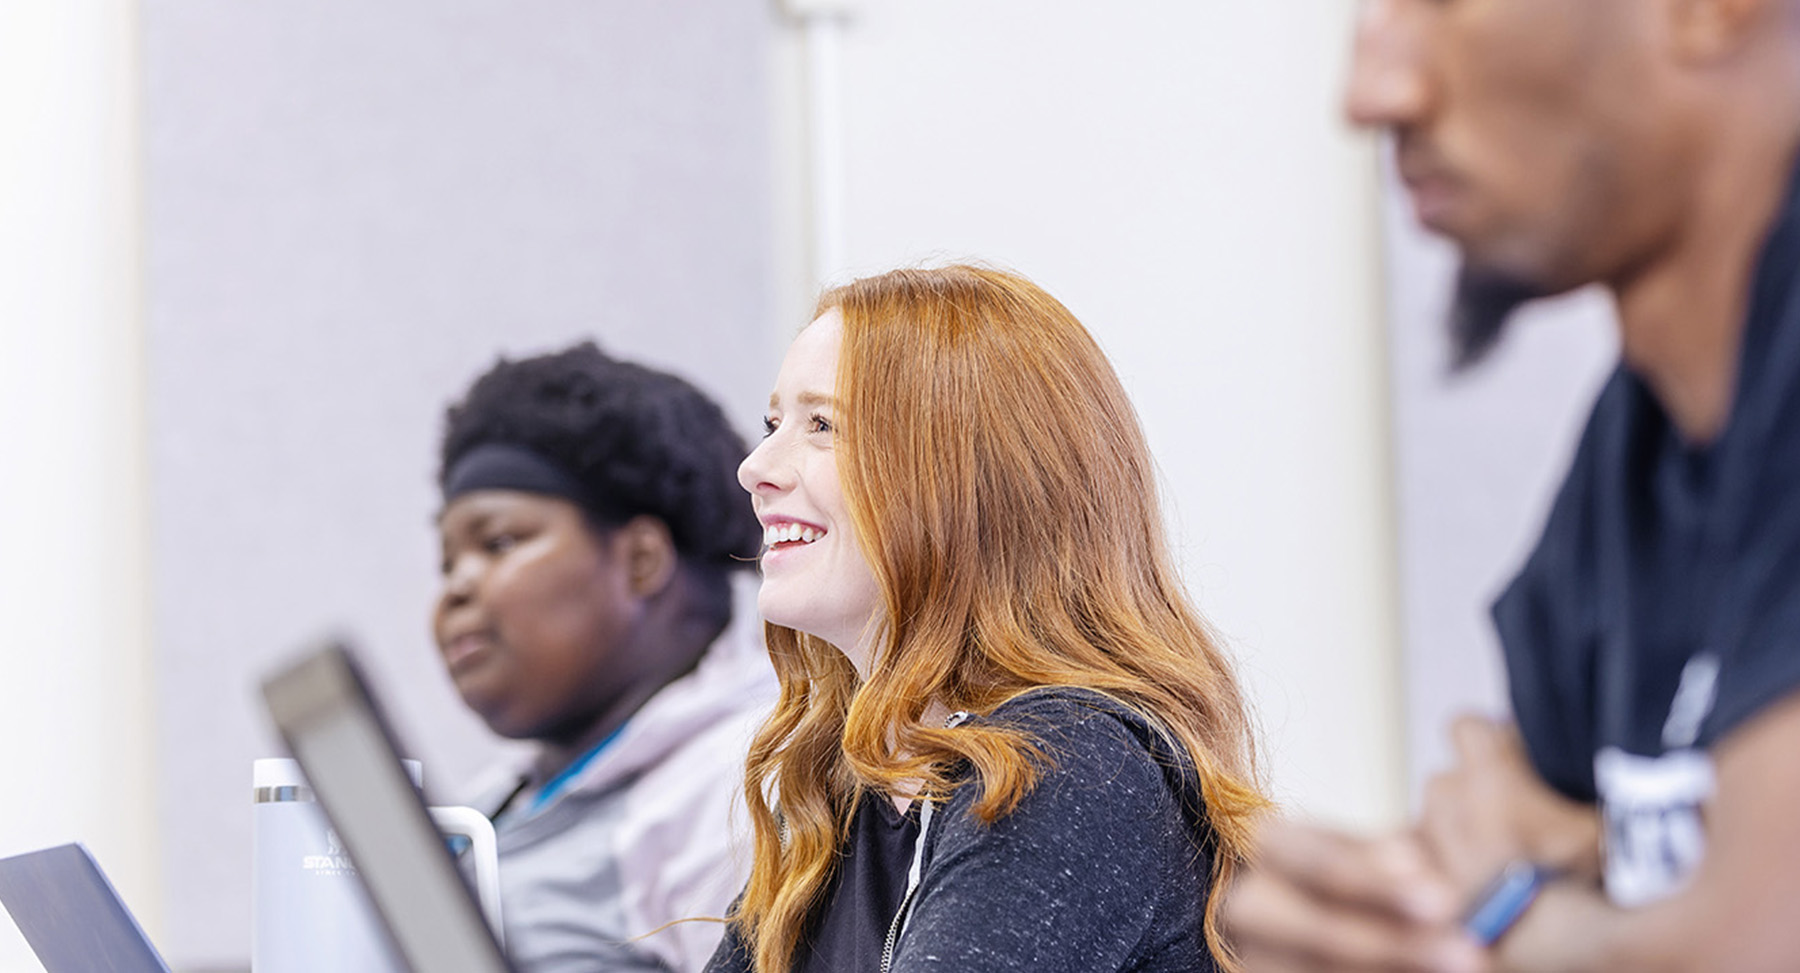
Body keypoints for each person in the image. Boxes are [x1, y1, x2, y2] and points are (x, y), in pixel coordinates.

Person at [1224, 0, 1800, 970]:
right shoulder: (1640, 448)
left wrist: (1512, 913)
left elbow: (1751, 942)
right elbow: (1472, 843)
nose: (1373, 94)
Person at [703, 265, 1268, 973]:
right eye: (773, 423)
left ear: (969, 478)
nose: (755, 467)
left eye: (821, 425)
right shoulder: (842, 798)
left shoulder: (1063, 763)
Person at [434, 342, 777, 972]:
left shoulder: (742, 791)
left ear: (641, 561)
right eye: (448, 561)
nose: (456, 586)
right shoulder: (501, 798)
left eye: (498, 542)